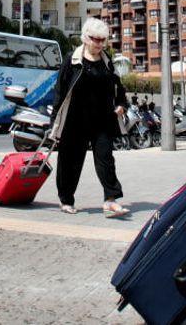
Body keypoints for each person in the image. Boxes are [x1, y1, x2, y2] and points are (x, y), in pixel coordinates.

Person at [50, 17, 129, 218]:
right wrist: (54, 123)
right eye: (96, 40)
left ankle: (110, 200)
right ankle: (66, 200)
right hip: (74, 120)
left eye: (103, 40)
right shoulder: (72, 60)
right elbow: (60, 91)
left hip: (102, 120)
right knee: (70, 161)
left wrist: (121, 104)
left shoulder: (106, 61)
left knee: (105, 159)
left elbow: (118, 86)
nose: (100, 44)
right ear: (86, 38)